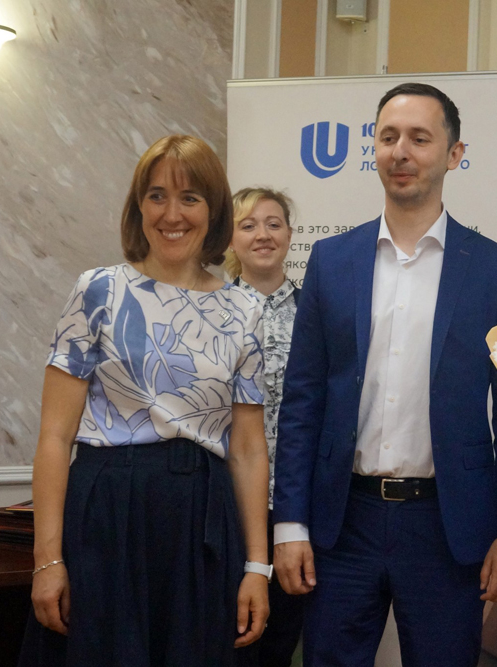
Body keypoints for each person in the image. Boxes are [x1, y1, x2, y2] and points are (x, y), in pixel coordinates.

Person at [272, 82, 497, 667]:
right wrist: (289, 523)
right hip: (342, 522)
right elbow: (302, 403)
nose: (401, 151)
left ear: (454, 153)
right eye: (388, 137)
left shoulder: (496, 270)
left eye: (420, 138)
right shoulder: (331, 262)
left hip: (448, 525)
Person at [21, 135, 271, 666]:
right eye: (157, 196)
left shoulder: (245, 310)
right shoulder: (98, 291)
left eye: (190, 198)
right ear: (139, 207)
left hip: (201, 520)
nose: (171, 214)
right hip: (107, 512)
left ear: (213, 210)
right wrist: (47, 559)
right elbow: (54, 437)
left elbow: (249, 451)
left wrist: (257, 566)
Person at [225, 187, 305, 666]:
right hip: (229, 504)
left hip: (295, 505)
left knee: (282, 640)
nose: (263, 235)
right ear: (230, 238)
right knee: (230, 636)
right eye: (248, 225)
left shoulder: (315, 311)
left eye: (274, 224)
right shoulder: (210, 311)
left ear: (290, 235)